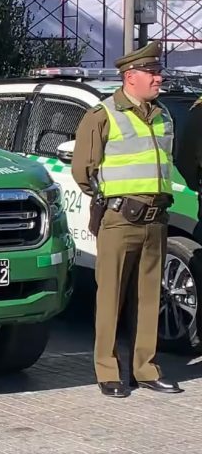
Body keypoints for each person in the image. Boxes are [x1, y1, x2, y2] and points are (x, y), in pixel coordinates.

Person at [72, 41, 182, 398]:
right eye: (152, 73)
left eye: (158, 72)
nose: (159, 78)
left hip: (156, 219)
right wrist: (111, 200)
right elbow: (82, 170)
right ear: (130, 77)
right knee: (112, 297)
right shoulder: (103, 114)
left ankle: (145, 369)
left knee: (149, 298)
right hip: (120, 219)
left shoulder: (163, 114)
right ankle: (108, 371)